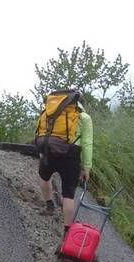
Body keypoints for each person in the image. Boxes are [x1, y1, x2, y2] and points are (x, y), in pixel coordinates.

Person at [35, 93, 93, 234]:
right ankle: (67, 232)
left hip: (49, 149)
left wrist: (42, 153)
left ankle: (49, 206)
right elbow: (87, 143)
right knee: (68, 194)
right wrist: (86, 167)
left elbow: (40, 133)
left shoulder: (50, 112)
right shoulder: (84, 117)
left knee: (44, 178)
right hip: (71, 154)